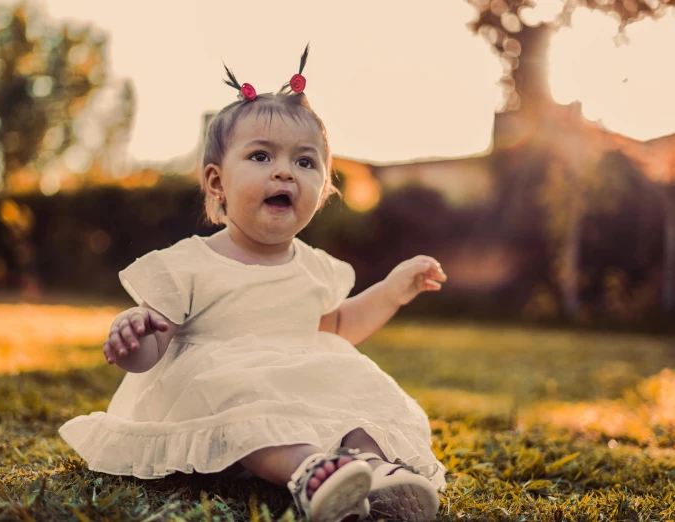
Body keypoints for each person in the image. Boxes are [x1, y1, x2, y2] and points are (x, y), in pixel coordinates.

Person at [59, 43, 448, 522]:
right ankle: (310, 471)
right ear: (217, 183)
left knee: (359, 394)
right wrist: (133, 336)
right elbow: (152, 350)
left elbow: (338, 326)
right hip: (222, 394)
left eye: (306, 163)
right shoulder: (189, 264)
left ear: (323, 191)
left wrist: (391, 291)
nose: (285, 170)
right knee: (251, 410)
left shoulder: (315, 267)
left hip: (302, 383)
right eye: (262, 156)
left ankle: (370, 468)